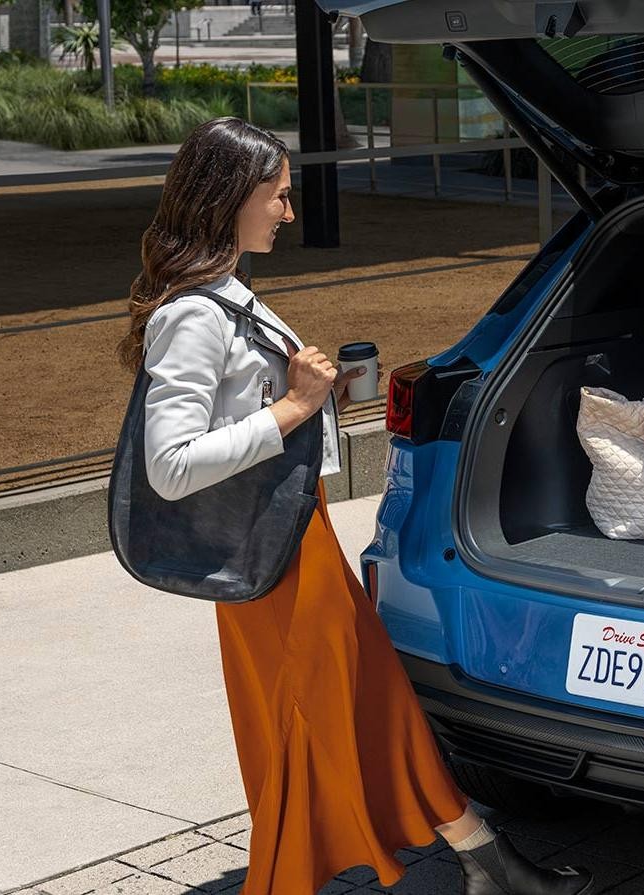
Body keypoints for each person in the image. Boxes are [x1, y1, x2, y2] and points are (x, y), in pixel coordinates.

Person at [115, 117, 594, 895]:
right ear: (232, 197)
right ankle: (327, 876)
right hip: (267, 562)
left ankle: (484, 858)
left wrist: (315, 396)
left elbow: (251, 409)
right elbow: (169, 466)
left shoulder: (227, 299)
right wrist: (296, 409)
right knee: (310, 724)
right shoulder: (193, 317)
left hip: (297, 536)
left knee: (371, 697)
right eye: (278, 194)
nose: (289, 211)